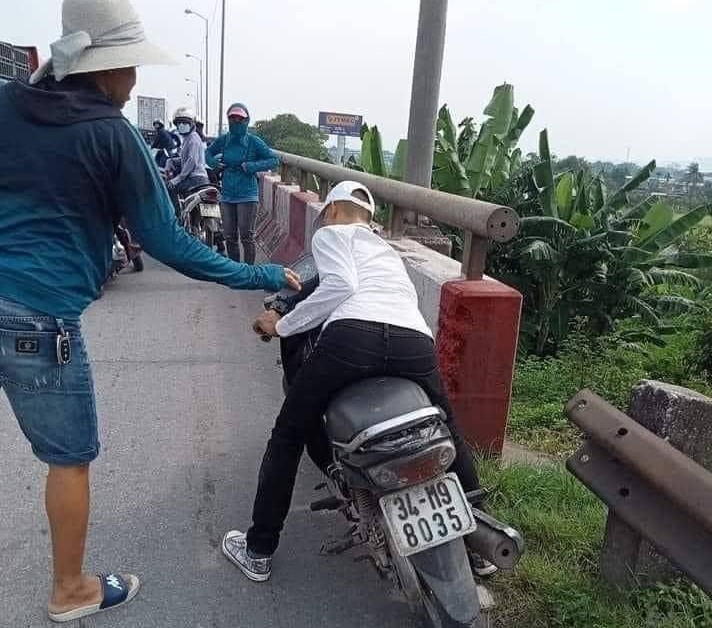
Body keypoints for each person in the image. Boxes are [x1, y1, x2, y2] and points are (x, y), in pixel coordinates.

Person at [0, 0, 299, 622]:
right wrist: (260, 273)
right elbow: (167, 242)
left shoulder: (8, 104)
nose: (133, 81)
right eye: (129, 66)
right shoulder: (113, 133)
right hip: (39, 315)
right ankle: (71, 590)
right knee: (68, 456)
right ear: (105, 70)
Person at [221, 181, 496, 583]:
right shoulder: (386, 249)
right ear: (370, 219)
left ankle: (258, 548)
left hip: (353, 338)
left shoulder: (331, 234)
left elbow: (340, 286)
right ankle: (480, 546)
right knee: (448, 428)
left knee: (288, 434)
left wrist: (283, 324)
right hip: (413, 341)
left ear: (331, 211)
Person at [206, 103, 279, 264]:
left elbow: (274, 159)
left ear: (247, 120)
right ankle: (235, 270)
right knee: (230, 235)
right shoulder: (224, 140)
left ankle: (249, 271)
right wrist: (215, 164)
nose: (236, 122)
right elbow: (208, 152)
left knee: (246, 235)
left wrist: (252, 166)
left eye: (240, 119)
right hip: (227, 194)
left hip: (247, 194)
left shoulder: (253, 141)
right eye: (232, 118)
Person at [165, 106, 210, 214]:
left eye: (184, 123)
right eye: (179, 123)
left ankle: (177, 220)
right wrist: (171, 161)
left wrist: (178, 178)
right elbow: (185, 159)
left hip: (195, 179)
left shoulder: (193, 139)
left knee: (169, 188)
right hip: (202, 179)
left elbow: (192, 161)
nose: (181, 126)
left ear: (192, 124)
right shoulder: (188, 139)